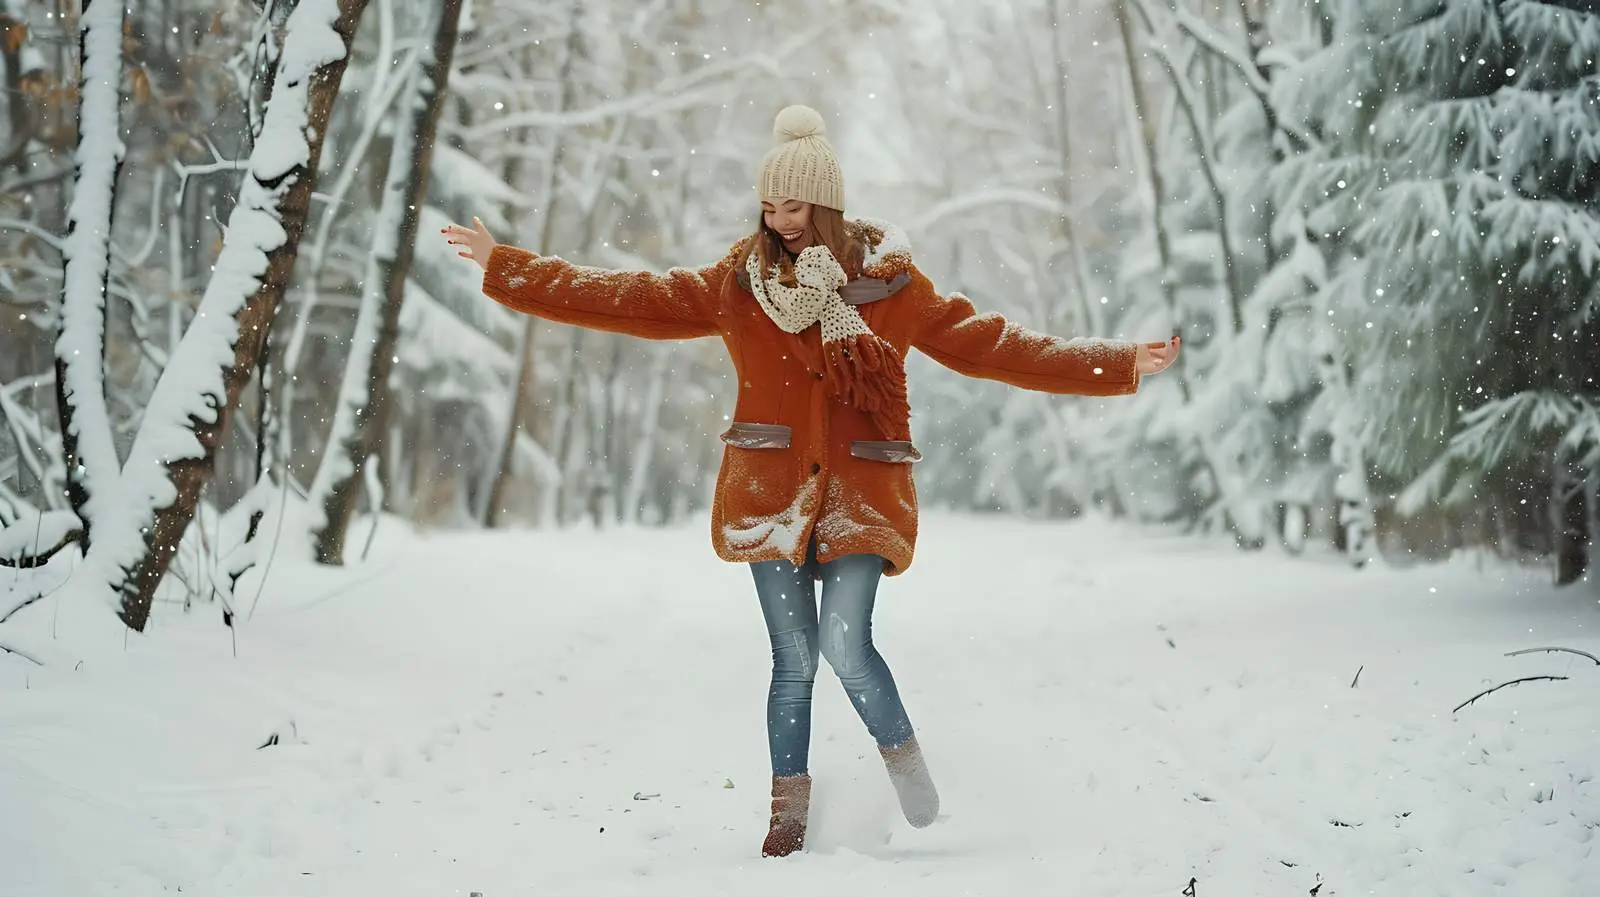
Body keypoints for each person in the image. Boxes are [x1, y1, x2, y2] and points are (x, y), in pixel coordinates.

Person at [443, 104, 1179, 858]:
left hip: (862, 492)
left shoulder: (894, 289)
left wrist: (1116, 363)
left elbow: (995, 346)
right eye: (768, 206)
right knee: (792, 659)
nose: (779, 221)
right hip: (771, 495)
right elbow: (625, 296)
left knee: (845, 643)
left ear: (826, 205)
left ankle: (908, 769)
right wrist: (507, 267)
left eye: (792, 206)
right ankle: (786, 818)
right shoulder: (739, 285)